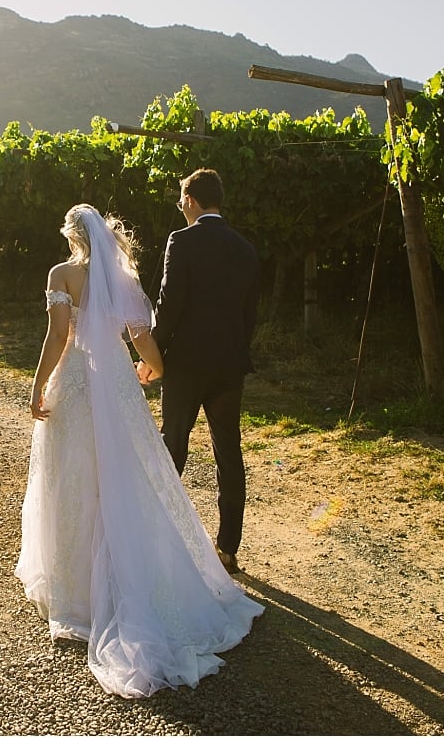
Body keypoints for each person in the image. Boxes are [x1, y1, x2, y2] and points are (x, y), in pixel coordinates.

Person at [15, 204, 263, 698]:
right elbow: (141, 337)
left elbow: (59, 335)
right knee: (125, 476)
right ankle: (140, 574)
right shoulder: (125, 281)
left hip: (80, 386)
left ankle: (80, 588)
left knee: (73, 476)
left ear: (72, 237)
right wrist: (156, 369)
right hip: (117, 386)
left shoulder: (62, 273)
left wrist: (38, 383)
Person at [139, 169, 261, 576]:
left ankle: (157, 538)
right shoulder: (245, 249)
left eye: (180, 200)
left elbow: (169, 304)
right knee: (228, 452)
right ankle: (227, 550)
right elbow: (249, 315)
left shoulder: (183, 241)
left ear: (190, 200)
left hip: (186, 364)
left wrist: (153, 355)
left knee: (172, 444)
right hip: (229, 367)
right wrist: (237, 354)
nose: (180, 207)